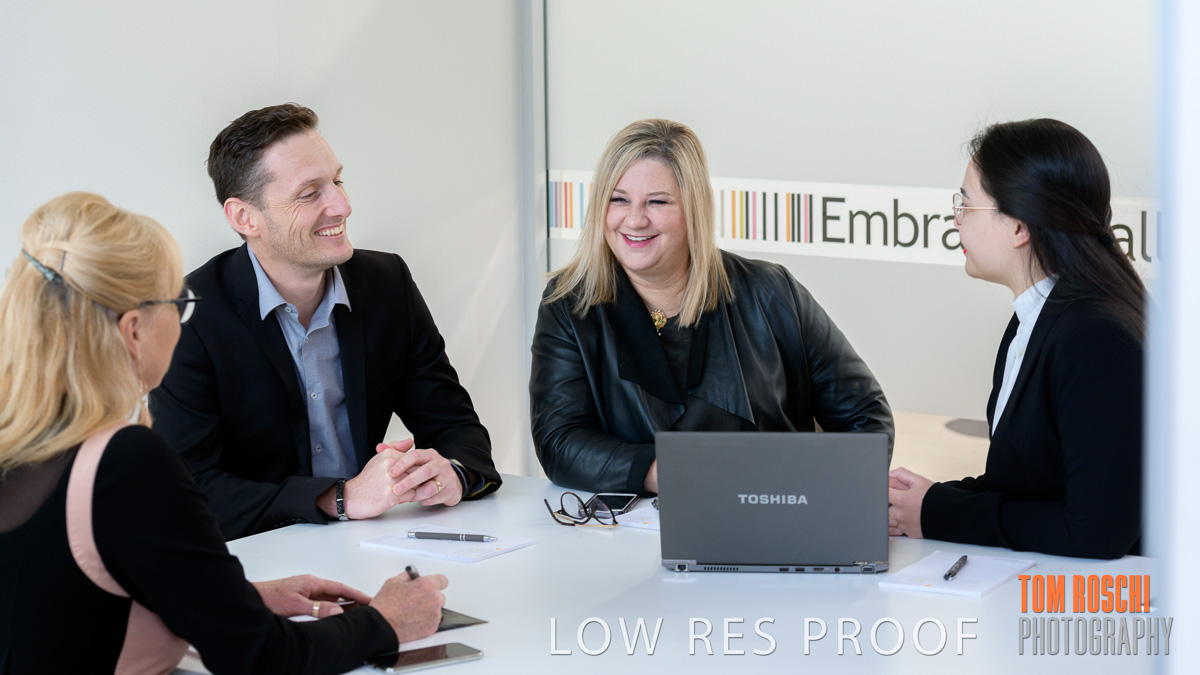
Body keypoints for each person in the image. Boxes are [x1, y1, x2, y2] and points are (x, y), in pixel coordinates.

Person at [0, 193, 449, 673]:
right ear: (133, 331)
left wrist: (236, 596)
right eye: (178, 304)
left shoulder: (27, 444)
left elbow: (69, 598)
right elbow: (259, 657)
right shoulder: (126, 462)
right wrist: (385, 621)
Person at [150, 104, 501, 540]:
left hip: (368, 543)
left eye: (337, 181)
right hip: (258, 556)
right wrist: (339, 498)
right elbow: (189, 489)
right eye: (309, 193)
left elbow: (455, 426)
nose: (342, 205)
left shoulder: (387, 283)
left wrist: (450, 472)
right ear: (245, 217)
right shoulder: (188, 316)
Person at [529, 119, 894, 495]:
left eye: (657, 202)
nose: (635, 219)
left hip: (772, 518)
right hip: (636, 525)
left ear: (694, 209)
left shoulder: (771, 291)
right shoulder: (570, 304)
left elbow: (865, 416)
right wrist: (670, 474)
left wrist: (803, 494)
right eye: (618, 199)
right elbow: (559, 441)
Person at [887, 119, 1145, 559]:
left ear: (1019, 228)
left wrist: (936, 512)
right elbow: (1025, 487)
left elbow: (1097, 531)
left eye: (966, 204)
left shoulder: (1096, 336)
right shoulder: (1036, 319)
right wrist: (916, 500)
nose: (956, 219)